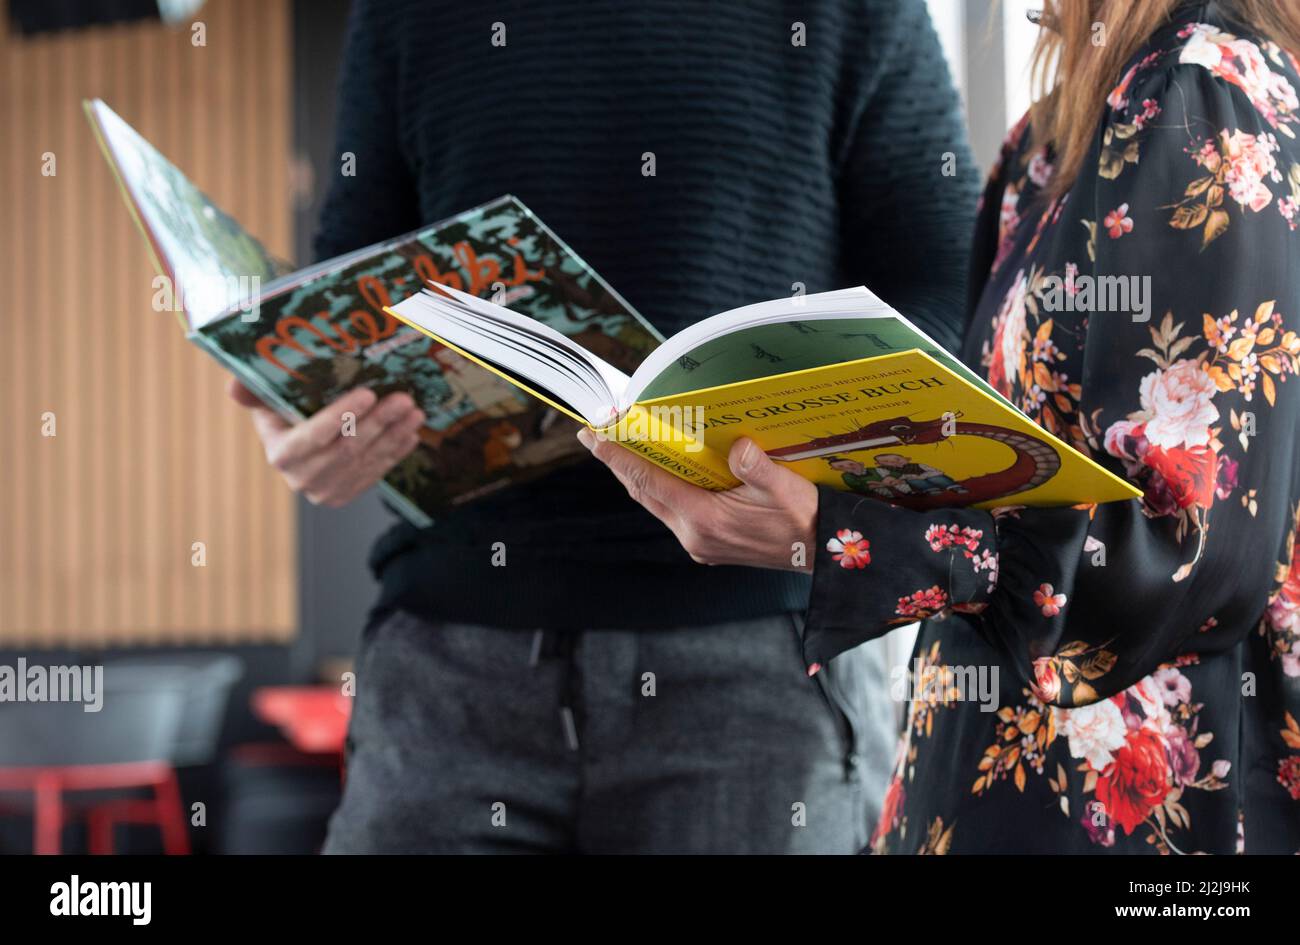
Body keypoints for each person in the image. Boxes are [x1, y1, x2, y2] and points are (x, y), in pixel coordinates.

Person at [229, 0, 978, 853]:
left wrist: (815, 456)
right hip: (450, 663)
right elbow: (356, 274)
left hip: (759, 662)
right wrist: (308, 416)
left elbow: (949, 283)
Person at [583, 0, 1300, 853]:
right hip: (994, 774)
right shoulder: (1053, 136)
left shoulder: (1200, 90)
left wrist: (842, 535)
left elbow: (1180, 560)